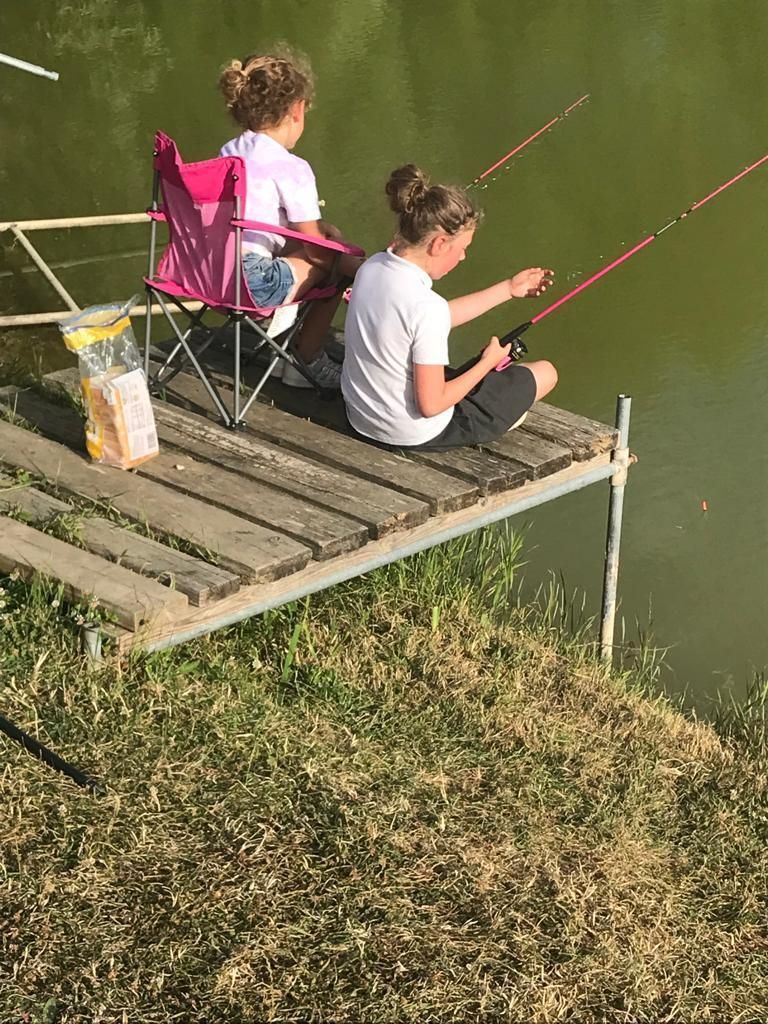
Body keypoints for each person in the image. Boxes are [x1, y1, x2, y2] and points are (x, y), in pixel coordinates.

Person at [341, 164, 558, 450]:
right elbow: (432, 405)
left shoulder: (373, 267)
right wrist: (487, 364)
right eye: (462, 247)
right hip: (409, 432)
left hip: (359, 415)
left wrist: (508, 289)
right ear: (440, 244)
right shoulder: (425, 306)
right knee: (545, 373)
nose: (464, 257)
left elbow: (430, 320)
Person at [218, 46, 364, 389]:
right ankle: (305, 359)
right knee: (332, 257)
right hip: (252, 285)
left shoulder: (229, 152)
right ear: (297, 109)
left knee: (329, 237)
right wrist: (348, 259)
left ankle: (289, 348)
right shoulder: (292, 168)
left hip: (209, 274)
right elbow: (315, 249)